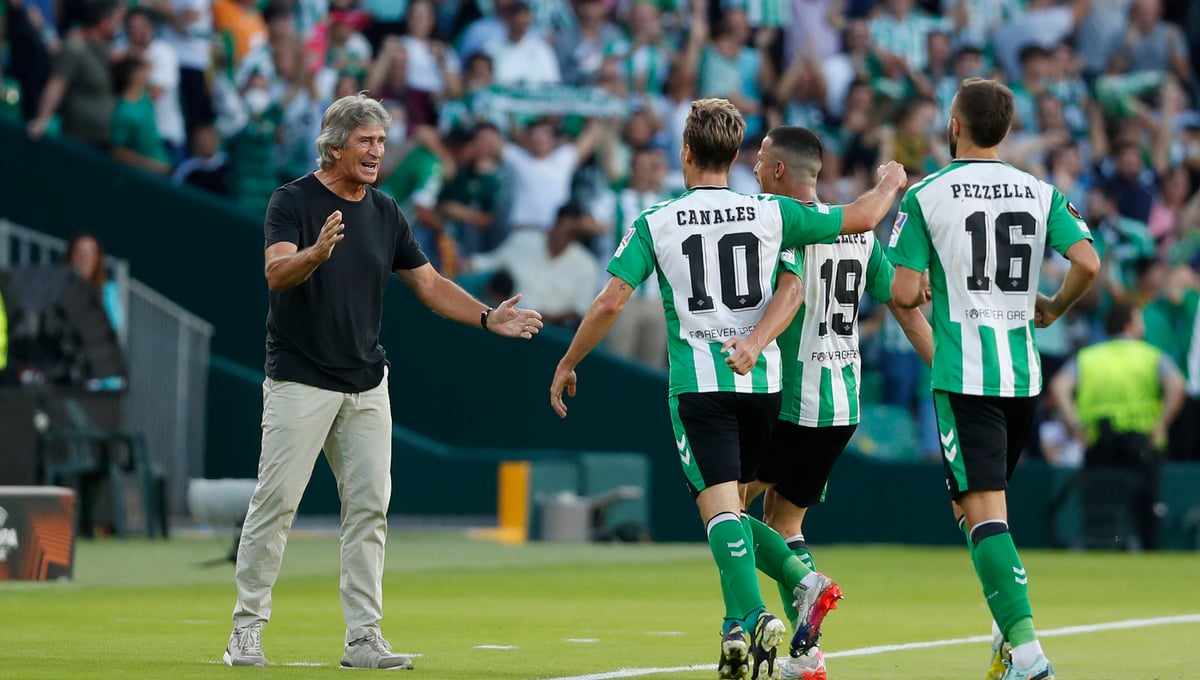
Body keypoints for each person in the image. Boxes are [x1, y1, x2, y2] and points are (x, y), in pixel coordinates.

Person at [549, 98, 908, 680]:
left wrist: (569, 360)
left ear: (685, 151)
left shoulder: (657, 221)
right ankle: (742, 626)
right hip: (764, 386)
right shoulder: (770, 213)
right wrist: (890, 183)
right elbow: (855, 225)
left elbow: (611, 301)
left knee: (721, 512)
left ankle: (768, 606)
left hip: (701, 385)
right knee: (736, 511)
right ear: (737, 155)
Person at [223, 94, 543, 670]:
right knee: (275, 504)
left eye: (381, 141)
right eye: (365, 141)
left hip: (367, 382)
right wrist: (316, 253)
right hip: (300, 378)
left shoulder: (386, 210)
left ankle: (363, 638)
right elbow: (276, 273)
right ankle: (245, 631)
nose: (377, 151)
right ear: (334, 146)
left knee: (370, 509)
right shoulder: (291, 200)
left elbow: (430, 284)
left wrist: (487, 317)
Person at [888, 77, 1100, 680]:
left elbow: (902, 292)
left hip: (967, 379)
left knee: (983, 515)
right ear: (1005, 131)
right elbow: (1088, 262)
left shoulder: (926, 195)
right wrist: (1054, 307)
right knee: (973, 507)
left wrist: (928, 283)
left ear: (954, 126)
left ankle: (1028, 654)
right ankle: (1006, 640)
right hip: (1021, 378)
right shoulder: (1039, 191)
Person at [738, 126, 935, 679]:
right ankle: (807, 656)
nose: (754, 169)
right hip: (842, 405)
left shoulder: (784, 227)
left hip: (793, 402)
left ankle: (804, 584)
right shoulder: (859, 237)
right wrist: (946, 373)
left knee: (723, 509)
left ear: (780, 170)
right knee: (785, 523)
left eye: (760, 160)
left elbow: (789, 292)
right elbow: (904, 306)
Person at [1047, 302, 1185, 550]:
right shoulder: (1151, 355)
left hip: (1098, 442)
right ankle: (1148, 554)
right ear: (1130, 324)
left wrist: (1076, 425)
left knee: (1101, 506)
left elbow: (1059, 386)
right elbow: (1177, 387)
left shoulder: (1088, 357)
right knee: (1146, 510)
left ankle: (1100, 551)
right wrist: (1161, 424)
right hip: (1143, 444)